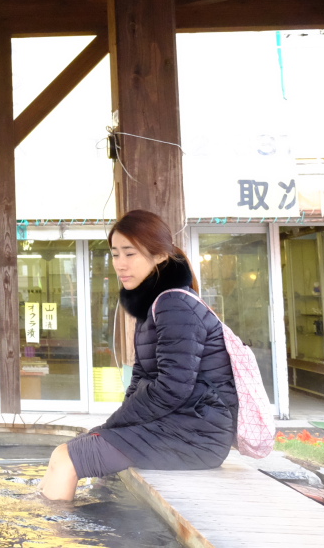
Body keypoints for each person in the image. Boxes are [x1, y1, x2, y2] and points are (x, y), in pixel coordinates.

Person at [40, 209, 237, 500]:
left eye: (130, 254)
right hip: (179, 426)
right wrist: (111, 426)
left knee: (66, 458)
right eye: (115, 254)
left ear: (160, 256)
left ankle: (55, 525)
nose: (120, 264)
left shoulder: (175, 305)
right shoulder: (155, 305)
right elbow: (140, 379)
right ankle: (56, 510)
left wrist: (114, 424)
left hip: (196, 436)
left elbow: (172, 388)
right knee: (72, 448)